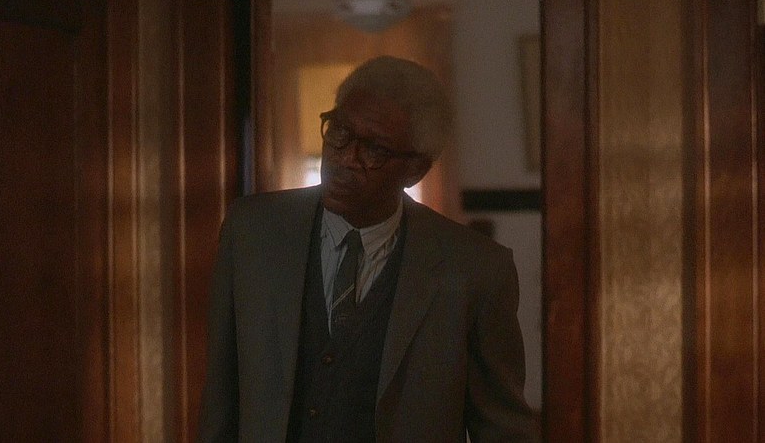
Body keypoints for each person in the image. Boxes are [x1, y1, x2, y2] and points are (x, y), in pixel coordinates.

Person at [197, 56, 536, 442]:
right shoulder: (252, 231)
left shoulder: (475, 269)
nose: (345, 158)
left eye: (374, 149)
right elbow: (220, 397)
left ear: (415, 170)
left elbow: (503, 428)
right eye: (339, 131)